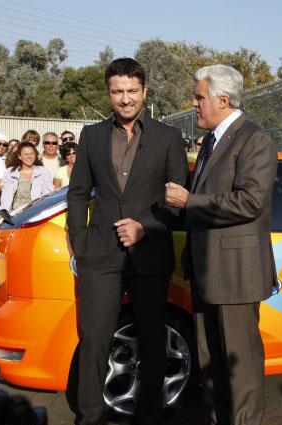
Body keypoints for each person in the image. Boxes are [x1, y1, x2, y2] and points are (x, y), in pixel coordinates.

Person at [67, 58, 187, 425]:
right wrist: (79, 242)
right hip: (99, 254)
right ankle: (89, 416)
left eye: (132, 91)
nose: (125, 99)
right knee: (95, 339)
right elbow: (77, 194)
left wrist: (145, 227)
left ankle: (149, 414)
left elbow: (176, 202)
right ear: (108, 93)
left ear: (145, 92)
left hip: (150, 253)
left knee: (151, 338)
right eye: (117, 91)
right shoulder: (91, 136)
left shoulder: (168, 137)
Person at [165, 64, 278, 425]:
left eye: (199, 97)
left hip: (236, 275)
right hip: (206, 272)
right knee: (210, 363)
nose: (194, 104)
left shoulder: (254, 139)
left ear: (223, 100)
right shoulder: (212, 142)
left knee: (239, 368)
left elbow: (251, 202)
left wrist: (190, 202)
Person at [0, 142, 53, 212]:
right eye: (25, 154)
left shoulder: (43, 172)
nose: (29, 157)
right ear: (19, 156)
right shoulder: (10, 172)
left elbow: (48, 194)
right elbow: (6, 197)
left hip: (37, 213)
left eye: (32, 153)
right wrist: (4, 213)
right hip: (15, 214)